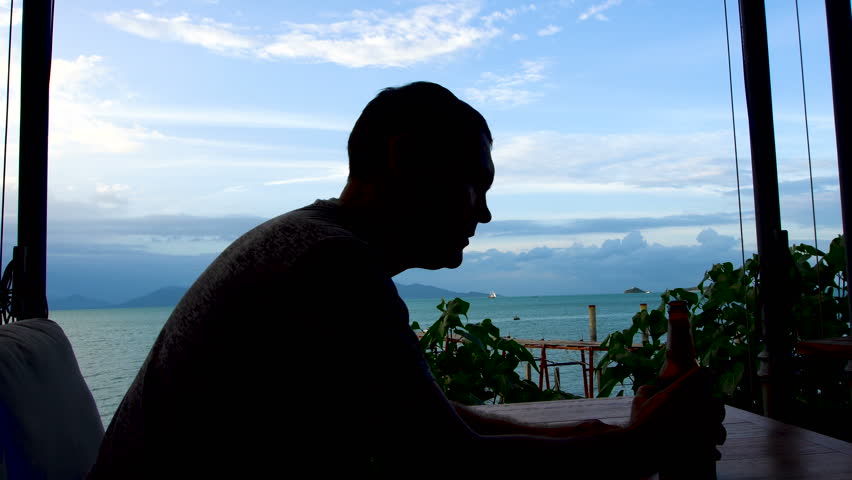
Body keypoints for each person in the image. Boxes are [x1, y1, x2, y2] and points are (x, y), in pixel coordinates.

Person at [87, 82, 723, 478]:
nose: (484, 212)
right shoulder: (330, 266)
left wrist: (580, 435)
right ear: (408, 160)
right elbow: (445, 463)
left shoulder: (304, 243)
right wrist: (645, 448)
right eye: (476, 182)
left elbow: (424, 418)